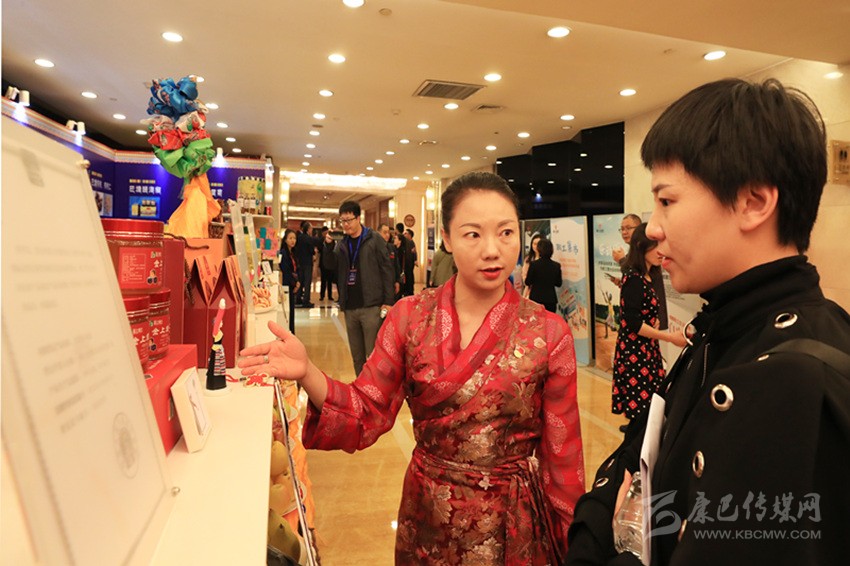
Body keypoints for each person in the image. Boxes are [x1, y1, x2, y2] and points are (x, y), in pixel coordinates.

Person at [566, 78, 850, 566]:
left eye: (667, 201)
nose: (653, 228)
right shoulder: (721, 329)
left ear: (753, 203)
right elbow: (638, 460)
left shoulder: (797, 379)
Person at [240, 171, 585, 563]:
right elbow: (365, 409)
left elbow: (564, 457)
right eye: (473, 234)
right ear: (447, 239)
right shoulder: (410, 316)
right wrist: (307, 372)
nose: (493, 250)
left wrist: (575, 545)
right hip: (428, 516)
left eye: (506, 233)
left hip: (512, 522)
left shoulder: (548, 332)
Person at [611, 224, 684, 431]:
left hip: (646, 349)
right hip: (636, 352)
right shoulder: (634, 278)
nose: (661, 252)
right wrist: (668, 337)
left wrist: (654, 322)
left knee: (650, 407)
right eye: (655, 247)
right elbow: (633, 323)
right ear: (641, 247)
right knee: (641, 412)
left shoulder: (648, 275)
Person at [333, 202, 394, 375]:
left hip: (371, 306)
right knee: (357, 356)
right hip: (350, 307)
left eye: (349, 220)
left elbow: (387, 269)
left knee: (374, 354)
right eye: (343, 221)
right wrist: (328, 246)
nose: (345, 224)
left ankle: (377, 387)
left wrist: (388, 301)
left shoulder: (374, 239)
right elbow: (330, 266)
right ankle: (361, 386)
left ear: (358, 218)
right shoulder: (342, 243)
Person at [609, 214, 669, 330]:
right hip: (642, 326)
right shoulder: (635, 260)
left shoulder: (648, 260)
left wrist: (621, 260)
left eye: (628, 228)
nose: (624, 232)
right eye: (622, 229)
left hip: (651, 321)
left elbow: (642, 281)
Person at [524, 237, 561, 313]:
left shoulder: (534, 264)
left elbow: (528, 282)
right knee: (550, 319)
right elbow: (558, 283)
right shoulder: (556, 265)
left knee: (536, 319)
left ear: (539, 249)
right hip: (551, 300)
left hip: (536, 299)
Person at [278, 228, 300, 333]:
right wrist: (294, 283)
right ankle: (289, 333)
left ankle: (291, 332)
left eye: (294, 238)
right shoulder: (283, 253)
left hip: (293, 284)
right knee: (288, 311)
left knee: (291, 310)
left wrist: (297, 282)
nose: (293, 240)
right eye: (290, 238)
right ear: (285, 240)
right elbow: (286, 271)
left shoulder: (293, 253)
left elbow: (296, 269)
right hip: (287, 285)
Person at [294, 220, 320, 308]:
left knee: (300, 281)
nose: (311, 230)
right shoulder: (308, 238)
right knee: (307, 282)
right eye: (311, 228)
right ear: (308, 229)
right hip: (308, 263)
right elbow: (311, 250)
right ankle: (306, 301)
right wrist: (314, 252)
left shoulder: (299, 237)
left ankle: (298, 299)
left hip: (300, 262)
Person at [378, 222, 401, 299]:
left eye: (388, 232)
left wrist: (397, 281)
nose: (387, 235)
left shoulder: (392, 247)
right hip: (379, 284)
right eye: (385, 232)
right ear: (378, 233)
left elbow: (396, 265)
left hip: (391, 283)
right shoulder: (374, 248)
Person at [521, 233, 542, 299]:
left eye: (538, 244)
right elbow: (524, 274)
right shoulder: (528, 259)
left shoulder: (545, 259)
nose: (536, 246)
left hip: (541, 291)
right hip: (529, 290)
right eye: (534, 244)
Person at [319, 227, 336, 302]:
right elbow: (319, 250)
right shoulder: (321, 241)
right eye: (325, 233)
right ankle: (322, 295)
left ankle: (330, 296)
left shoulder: (333, 241)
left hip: (331, 263)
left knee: (330, 281)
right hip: (323, 263)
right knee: (323, 280)